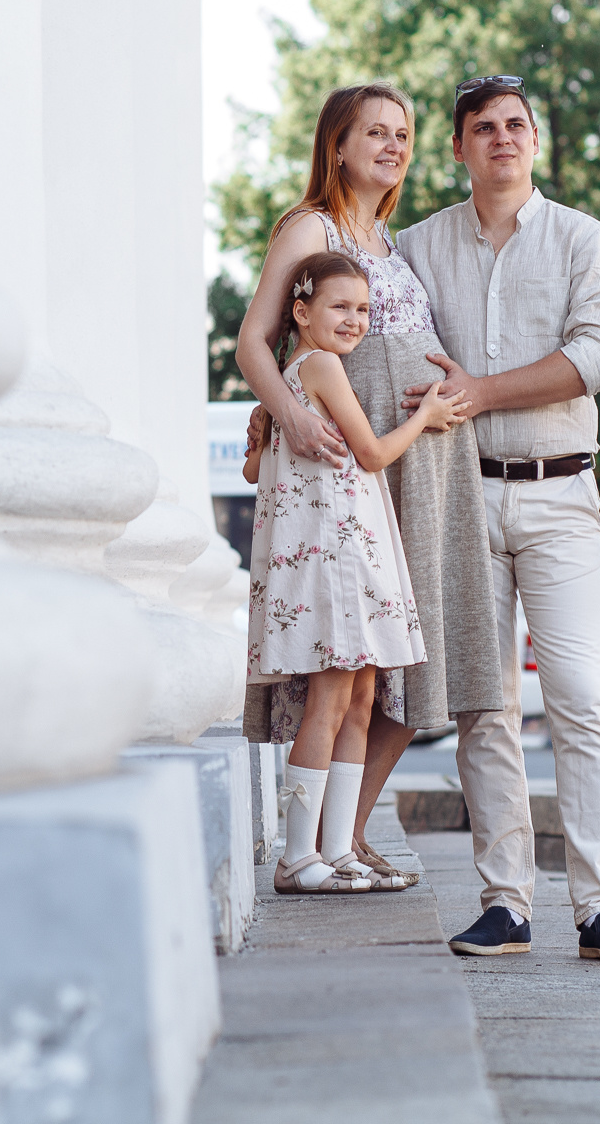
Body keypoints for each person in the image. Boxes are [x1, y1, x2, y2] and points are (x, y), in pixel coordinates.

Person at [393, 74, 600, 962]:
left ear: (534, 141)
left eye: (515, 124)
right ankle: (505, 903)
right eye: (483, 127)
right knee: (486, 707)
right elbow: (374, 339)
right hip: (461, 495)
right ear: (459, 148)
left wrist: (481, 391)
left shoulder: (582, 239)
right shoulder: (418, 246)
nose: (501, 138)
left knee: (579, 697)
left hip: (561, 495)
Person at [234, 84, 503, 892]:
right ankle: (318, 845)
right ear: (338, 146)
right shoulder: (310, 228)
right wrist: (286, 412)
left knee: (408, 651)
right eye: (376, 133)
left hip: (420, 459)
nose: (393, 146)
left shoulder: (389, 240)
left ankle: (342, 839)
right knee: (351, 657)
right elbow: (257, 340)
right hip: (353, 462)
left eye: (403, 134)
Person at [245, 250, 462, 893]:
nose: (354, 319)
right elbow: (371, 453)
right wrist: (425, 417)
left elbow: (255, 470)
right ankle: (297, 856)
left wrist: (261, 440)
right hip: (335, 558)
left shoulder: (291, 379)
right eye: (339, 306)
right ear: (301, 310)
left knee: (361, 697)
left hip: (353, 549)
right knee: (332, 699)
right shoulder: (319, 365)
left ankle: (338, 850)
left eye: (364, 309)